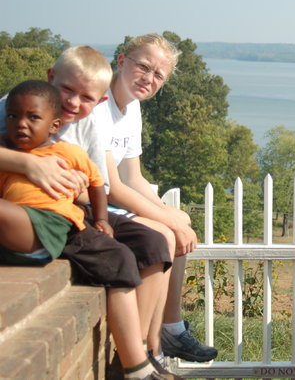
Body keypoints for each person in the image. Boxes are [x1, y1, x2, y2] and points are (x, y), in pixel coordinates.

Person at [0, 80, 174, 379]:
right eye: (13, 116)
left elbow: (97, 183)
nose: (21, 124)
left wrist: (102, 220)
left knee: (129, 254)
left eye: (33, 117)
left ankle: (137, 362)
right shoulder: (6, 149)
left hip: (47, 224)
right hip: (21, 228)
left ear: (54, 125)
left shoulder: (67, 151)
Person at [92, 33, 217, 363]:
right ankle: (148, 349)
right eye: (143, 67)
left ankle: (170, 327)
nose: (149, 78)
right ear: (122, 61)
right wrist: (168, 221)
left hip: (106, 195)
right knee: (165, 232)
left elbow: (133, 177)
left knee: (180, 220)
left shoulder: (131, 108)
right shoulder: (98, 103)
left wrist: (169, 213)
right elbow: (113, 187)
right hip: (90, 200)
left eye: (158, 75)